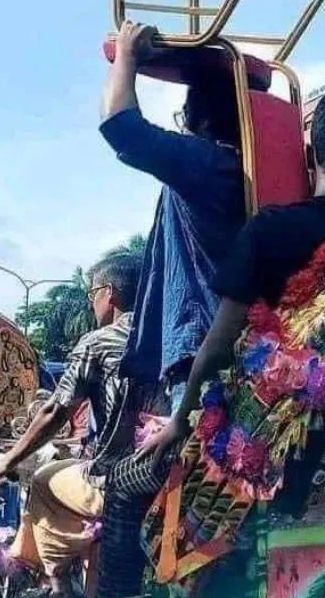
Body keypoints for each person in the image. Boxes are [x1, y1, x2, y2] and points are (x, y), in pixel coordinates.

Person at [97, 86, 325, 597]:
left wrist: (178, 421)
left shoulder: (270, 230)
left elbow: (216, 347)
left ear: (310, 153)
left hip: (267, 449)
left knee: (123, 487)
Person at [100, 21, 245, 418]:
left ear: (195, 118)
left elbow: (120, 125)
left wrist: (126, 55)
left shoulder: (206, 164)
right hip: (251, 349)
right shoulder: (257, 170)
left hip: (200, 354)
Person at [0, 250, 142, 597]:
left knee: (42, 480)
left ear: (110, 293)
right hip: (161, 475)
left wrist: (7, 460)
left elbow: (55, 413)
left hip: (114, 481)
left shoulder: (99, 342)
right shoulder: (167, 334)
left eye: (92, 294)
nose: (91, 304)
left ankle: (58, 586)